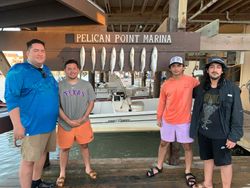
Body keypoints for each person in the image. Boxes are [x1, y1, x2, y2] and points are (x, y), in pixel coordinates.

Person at [4, 39, 59, 188]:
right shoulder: (18, 70)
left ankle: (36, 182)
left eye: (42, 51)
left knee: (42, 154)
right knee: (28, 160)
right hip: (31, 126)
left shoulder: (46, 70)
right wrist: (17, 125)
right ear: (28, 53)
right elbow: (11, 98)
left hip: (48, 125)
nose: (40, 53)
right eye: (36, 50)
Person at [146, 56, 199, 188]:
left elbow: (204, 91)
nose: (176, 68)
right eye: (173, 66)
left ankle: (188, 171)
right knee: (163, 143)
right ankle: (159, 166)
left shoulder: (192, 81)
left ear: (183, 67)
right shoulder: (166, 84)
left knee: (187, 146)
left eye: (179, 65)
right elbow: (162, 102)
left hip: (184, 121)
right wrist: (159, 117)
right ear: (170, 69)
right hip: (168, 120)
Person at [190, 57, 243, 188]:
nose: (215, 70)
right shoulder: (200, 88)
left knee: (224, 162)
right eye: (212, 67)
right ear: (207, 70)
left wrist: (234, 136)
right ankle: (208, 183)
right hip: (203, 132)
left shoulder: (232, 89)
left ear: (222, 71)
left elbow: (238, 113)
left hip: (222, 134)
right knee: (207, 158)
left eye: (218, 67)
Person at [56, 59, 96, 187]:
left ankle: (88, 168)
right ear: (65, 70)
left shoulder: (86, 85)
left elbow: (91, 102)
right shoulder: (59, 85)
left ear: (78, 70)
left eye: (74, 68)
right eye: (69, 68)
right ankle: (62, 173)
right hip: (65, 124)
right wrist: (67, 120)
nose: (72, 71)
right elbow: (56, 105)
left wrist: (84, 117)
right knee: (64, 148)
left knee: (84, 146)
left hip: (82, 122)